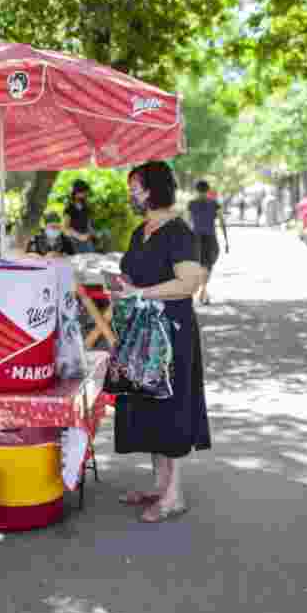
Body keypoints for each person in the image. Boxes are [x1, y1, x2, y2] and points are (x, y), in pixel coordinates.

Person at [113, 160, 211, 523]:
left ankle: (174, 496)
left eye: (135, 188)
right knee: (149, 406)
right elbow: (137, 275)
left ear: (153, 190)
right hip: (143, 331)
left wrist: (143, 292)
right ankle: (159, 485)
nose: (131, 195)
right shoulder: (142, 232)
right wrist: (124, 287)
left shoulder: (179, 232)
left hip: (171, 332)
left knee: (171, 409)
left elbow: (189, 283)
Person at [187, 180, 229, 305]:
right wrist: (226, 240)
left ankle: (202, 291)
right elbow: (222, 222)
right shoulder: (214, 204)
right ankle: (203, 290)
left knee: (199, 265)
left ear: (196, 190)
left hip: (196, 238)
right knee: (208, 265)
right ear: (208, 190)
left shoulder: (191, 204)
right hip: (210, 238)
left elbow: (188, 223)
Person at [63, 178, 96, 253]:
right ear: (76, 192)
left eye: (85, 192)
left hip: (86, 240)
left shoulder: (87, 207)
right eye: (83, 192)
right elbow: (65, 228)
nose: (85, 194)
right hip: (73, 241)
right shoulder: (69, 208)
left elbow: (89, 224)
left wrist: (90, 233)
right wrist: (78, 236)